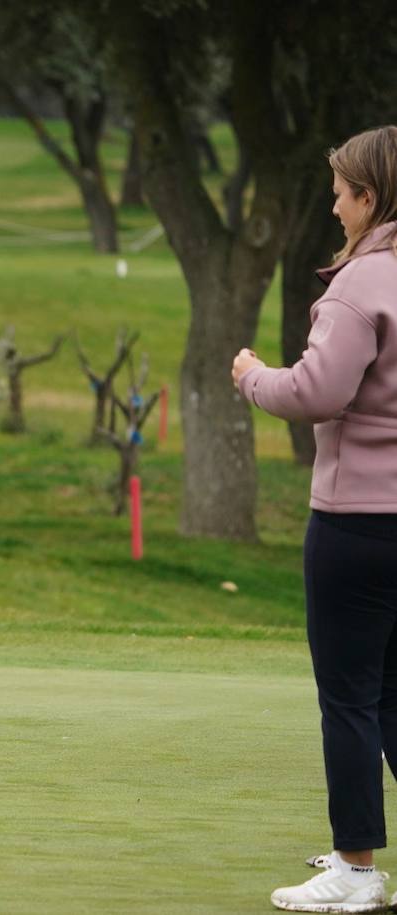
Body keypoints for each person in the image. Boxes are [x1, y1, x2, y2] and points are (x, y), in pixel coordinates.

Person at [233, 125, 397, 913]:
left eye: (341, 192)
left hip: (357, 524)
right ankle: (358, 850)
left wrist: (253, 376)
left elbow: (316, 392)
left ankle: (356, 868)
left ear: (370, 198)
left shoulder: (360, 286)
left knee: (350, 697)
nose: (333, 206)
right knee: (393, 695)